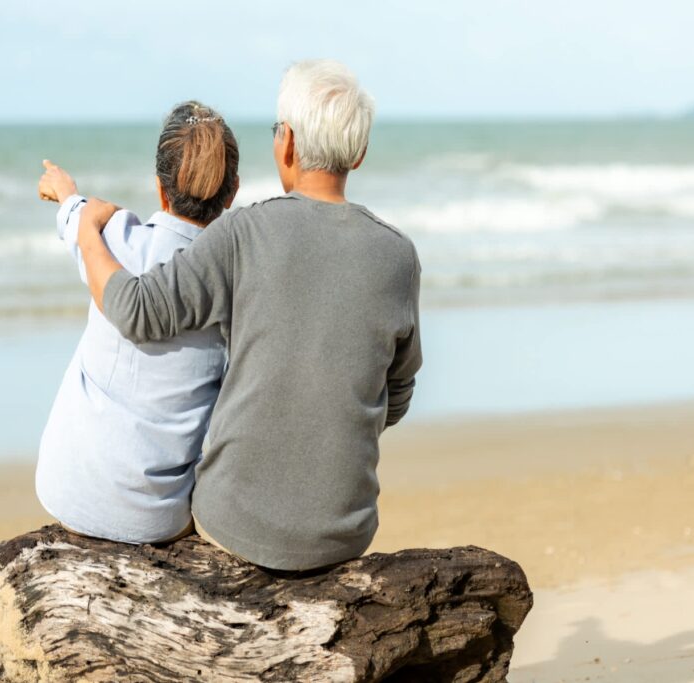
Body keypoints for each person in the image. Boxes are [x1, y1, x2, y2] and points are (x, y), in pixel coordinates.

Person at [76, 60, 422, 570]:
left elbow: (137, 310)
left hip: (233, 525)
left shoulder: (244, 234)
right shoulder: (398, 255)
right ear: (359, 153)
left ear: (287, 145)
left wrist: (87, 231)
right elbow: (397, 395)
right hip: (345, 533)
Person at [35, 101, 239, 544]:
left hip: (66, 488)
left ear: (160, 189)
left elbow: (76, 220)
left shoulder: (111, 239)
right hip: (154, 520)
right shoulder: (234, 287)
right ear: (233, 192)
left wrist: (65, 192)